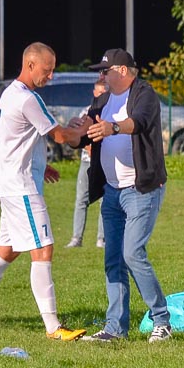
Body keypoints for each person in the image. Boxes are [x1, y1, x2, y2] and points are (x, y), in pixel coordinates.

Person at [0, 42, 87, 341]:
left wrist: (42, 165)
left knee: (8, 250)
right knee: (43, 249)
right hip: (22, 188)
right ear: (29, 64)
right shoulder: (28, 99)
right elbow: (60, 135)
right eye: (47, 70)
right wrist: (84, 131)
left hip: (13, 184)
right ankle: (53, 328)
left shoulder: (10, 94)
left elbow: (17, 138)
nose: (51, 76)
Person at [77, 48, 171, 343]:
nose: (100, 76)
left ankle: (162, 321)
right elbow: (87, 131)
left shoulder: (144, 94)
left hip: (141, 189)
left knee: (132, 253)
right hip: (112, 192)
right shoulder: (102, 100)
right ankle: (115, 329)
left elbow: (139, 122)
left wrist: (113, 127)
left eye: (104, 71)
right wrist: (76, 131)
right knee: (113, 259)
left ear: (121, 71)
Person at [66, 79, 107, 249]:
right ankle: (76, 238)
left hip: (104, 162)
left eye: (102, 93)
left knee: (105, 201)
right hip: (86, 161)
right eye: (97, 92)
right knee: (81, 199)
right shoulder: (87, 111)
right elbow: (80, 135)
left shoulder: (110, 111)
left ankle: (102, 239)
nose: (98, 96)